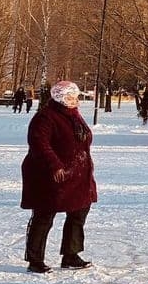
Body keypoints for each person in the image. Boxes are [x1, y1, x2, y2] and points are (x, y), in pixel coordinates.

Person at [20, 81, 98, 273]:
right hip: (50, 177)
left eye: (76, 96)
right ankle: (35, 259)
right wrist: (55, 165)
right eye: (71, 97)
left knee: (79, 212)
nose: (76, 100)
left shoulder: (74, 115)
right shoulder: (45, 117)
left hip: (78, 176)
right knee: (44, 215)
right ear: (60, 98)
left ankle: (71, 255)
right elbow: (39, 143)